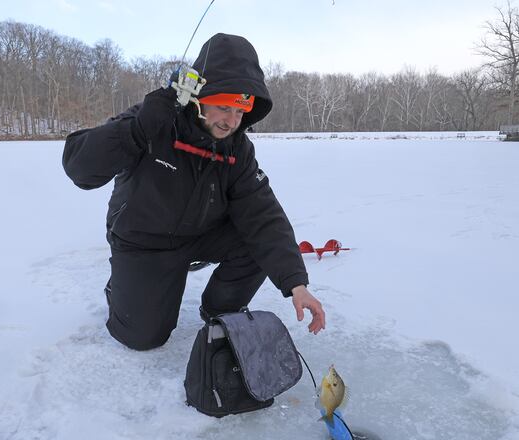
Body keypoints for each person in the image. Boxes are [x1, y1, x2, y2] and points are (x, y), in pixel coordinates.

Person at [62, 33, 325, 351]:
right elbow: (80, 169)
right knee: (142, 338)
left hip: (201, 235)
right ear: (200, 97)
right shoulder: (152, 118)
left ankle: (219, 311)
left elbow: (264, 216)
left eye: (240, 112)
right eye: (224, 108)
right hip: (143, 241)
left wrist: (296, 283)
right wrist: (137, 129)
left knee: (255, 241)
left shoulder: (237, 148)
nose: (231, 121)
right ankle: (122, 286)